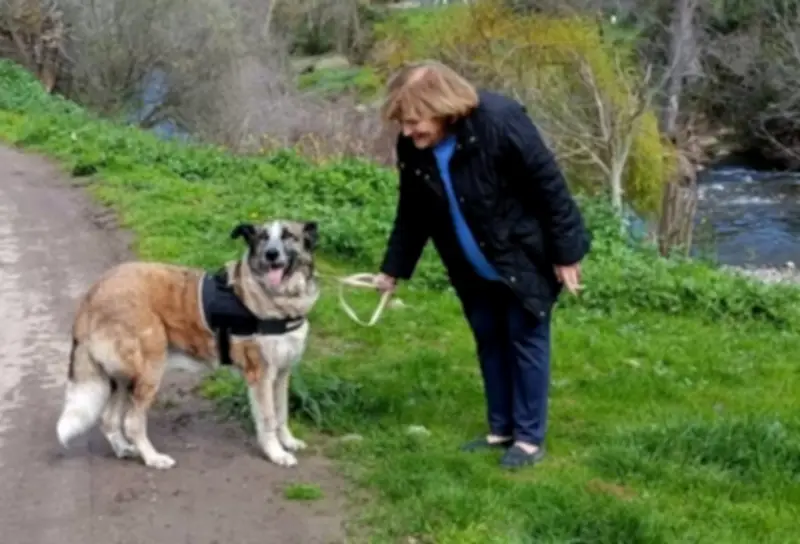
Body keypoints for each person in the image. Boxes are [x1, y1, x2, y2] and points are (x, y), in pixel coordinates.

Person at [373, 60, 591, 469]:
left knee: (525, 337)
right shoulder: (414, 148)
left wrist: (567, 253)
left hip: (521, 254)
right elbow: (412, 211)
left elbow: (550, 187)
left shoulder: (501, 121)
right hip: (468, 262)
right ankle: (501, 429)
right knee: (489, 336)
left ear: (442, 107)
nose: (407, 132)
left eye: (414, 122)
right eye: (403, 124)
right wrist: (392, 270)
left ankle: (528, 439)